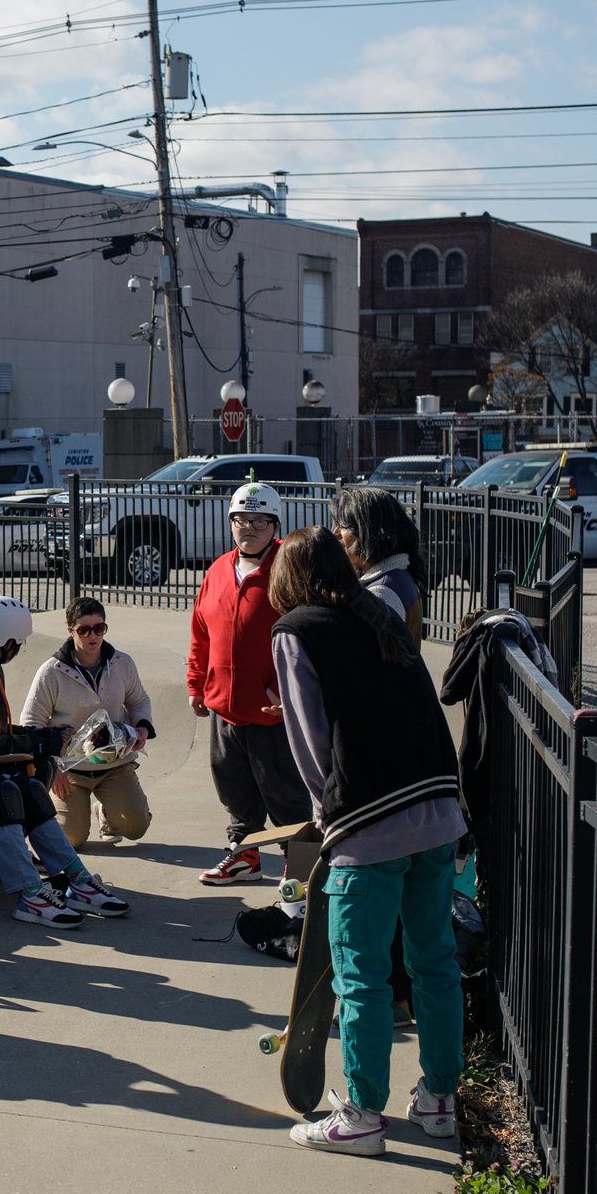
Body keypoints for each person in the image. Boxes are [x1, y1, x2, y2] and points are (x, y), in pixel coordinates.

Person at [266, 528, 467, 1157]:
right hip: (436, 810)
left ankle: (361, 1115)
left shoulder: (297, 630)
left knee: (362, 975)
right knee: (434, 962)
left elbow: (308, 740)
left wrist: (327, 822)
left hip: (370, 823)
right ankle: (440, 1099)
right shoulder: (381, 614)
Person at [0, 595, 131, 925]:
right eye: (19, 643)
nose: (19, 650)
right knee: (12, 783)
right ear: (8, 641)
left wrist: (42, 739)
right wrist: (40, 738)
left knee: (34, 772)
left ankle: (74, 877)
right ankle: (28, 892)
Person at [187, 482, 314, 885]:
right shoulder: (218, 570)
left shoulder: (287, 570)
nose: (249, 527)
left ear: (275, 525)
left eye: (260, 520)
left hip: (272, 712)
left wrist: (290, 692)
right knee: (236, 792)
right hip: (225, 707)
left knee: (287, 797)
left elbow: (307, 635)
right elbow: (201, 632)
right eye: (241, 519)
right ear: (230, 523)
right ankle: (245, 858)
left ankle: (305, 869)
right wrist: (196, 684)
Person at [20, 597, 156, 849]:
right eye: (83, 629)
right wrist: (51, 766)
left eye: (99, 628)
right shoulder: (52, 671)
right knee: (72, 839)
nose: (92, 635)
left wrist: (142, 728)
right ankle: (69, 807)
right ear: (70, 631)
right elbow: (31, 721)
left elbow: (139, 701)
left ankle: (107, 814)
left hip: (115, 764)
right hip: (70, 771)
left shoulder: (122, 663)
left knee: (136, 827)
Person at [330, 485, 428, 638]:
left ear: (367, 531)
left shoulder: (381, 593)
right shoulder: (396, 577)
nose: (335, 533)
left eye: (342, 526)